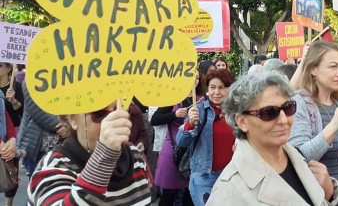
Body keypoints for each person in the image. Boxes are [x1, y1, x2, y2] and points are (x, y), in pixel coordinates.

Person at [207, 72, 338, 205]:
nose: (283, 120)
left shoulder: (298, 158)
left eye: (288, 108)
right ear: (242, 122)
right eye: (269, 112)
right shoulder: (228, 191)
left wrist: (327, 195)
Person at [27, 101, 152, 205]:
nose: (113, 122)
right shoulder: (53, 168)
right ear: (73, 119)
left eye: (122, 110)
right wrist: (105, 155)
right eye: (99, 113)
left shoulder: (134, 155)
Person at [289, 40, 338, 206]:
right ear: (314, 69)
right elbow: (297, 158)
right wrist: (333, 127)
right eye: (333, 66)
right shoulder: (299, 104)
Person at [177, 69, 235, 206]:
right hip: (204, 177)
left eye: (222, 88)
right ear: (207, 89)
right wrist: (189, 124)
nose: (216, 92)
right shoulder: (199, 110)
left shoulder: (237, 112)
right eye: (212, 87)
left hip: (232, 176)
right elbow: (181, 141)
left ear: (229, 88)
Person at [152, 70, 204, 206]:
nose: (194, 79)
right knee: (169, 193)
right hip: (173, 150)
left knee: (190, 194)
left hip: (193, 152)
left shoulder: (201, 99)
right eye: (191, 75)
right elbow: (155, 119)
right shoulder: (173, 97)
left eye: (197, 77)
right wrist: (175, 115)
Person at [17, 81, 68, 178]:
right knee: (39, 186)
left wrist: (70, 125)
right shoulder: (32, 78)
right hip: (39, 144)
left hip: (67, 144)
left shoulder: (67, 74)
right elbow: (36, 110)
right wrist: (62, 126)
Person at [0, 62, 23, 206]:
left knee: (10, 169)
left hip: (11, 132)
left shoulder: (17, 86)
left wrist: (12, 139)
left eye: (0, 65)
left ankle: (9, 203)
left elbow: (21, 112)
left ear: (9, 68)